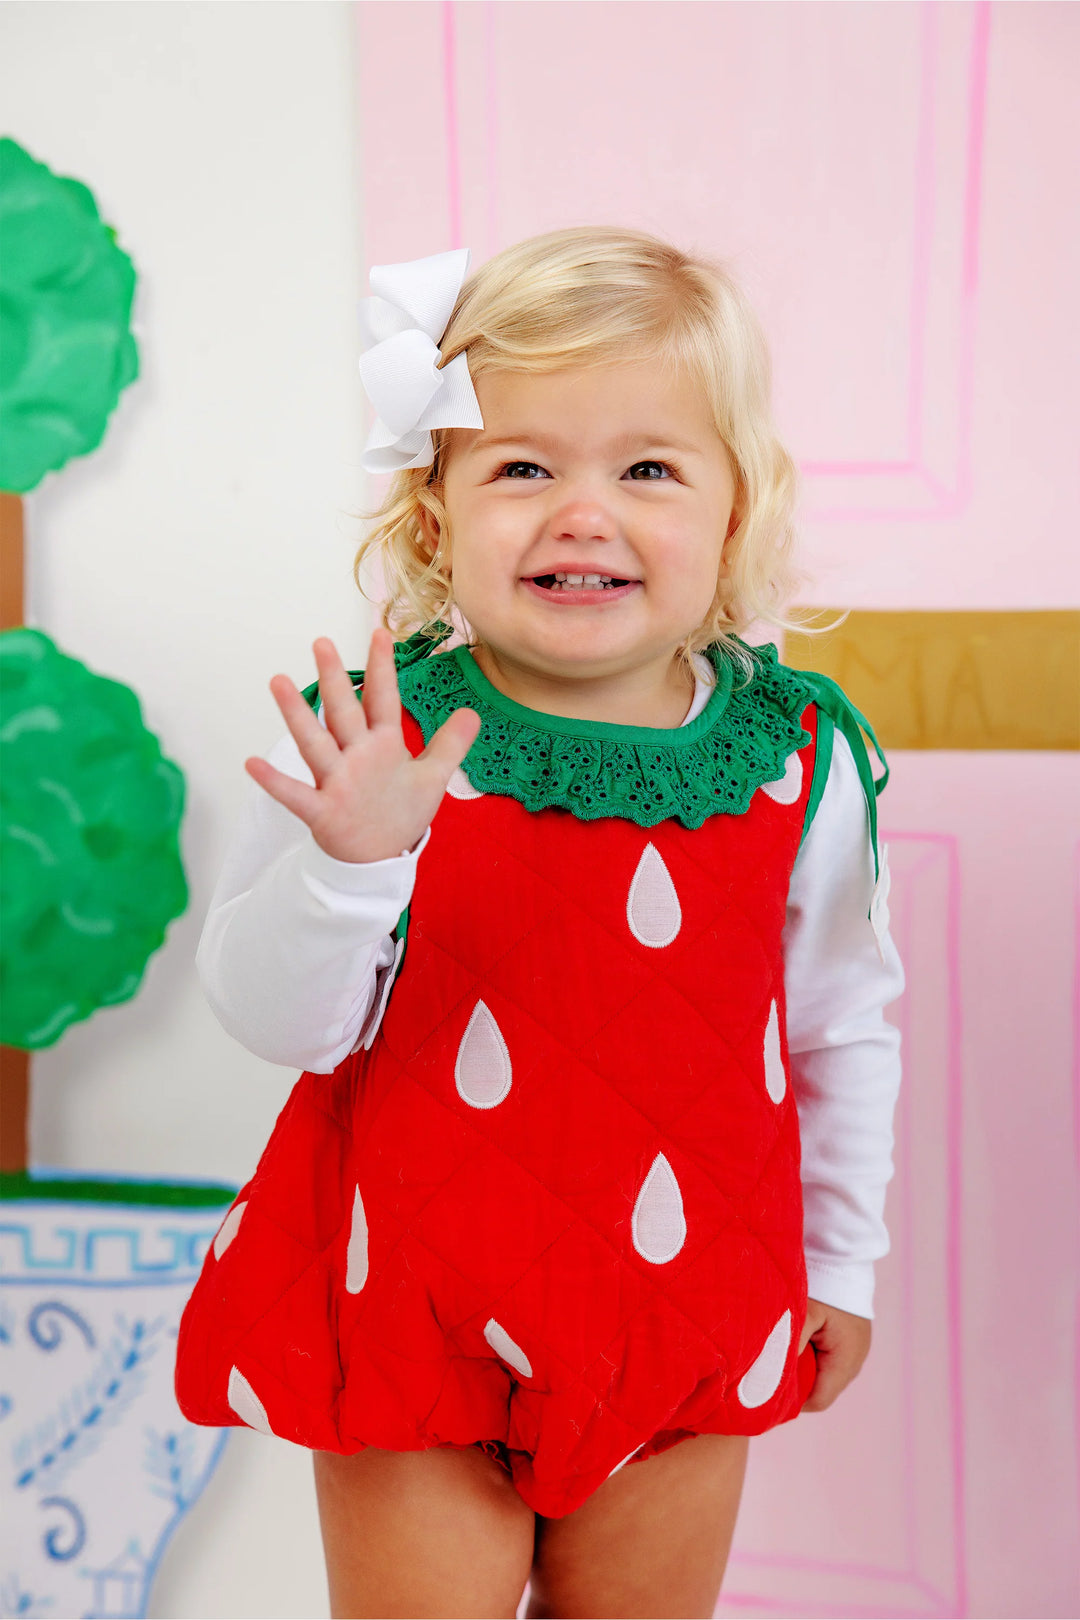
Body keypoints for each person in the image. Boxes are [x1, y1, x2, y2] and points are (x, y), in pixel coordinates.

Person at [175, 228, 904, 1620]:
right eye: (521, 467)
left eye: (648, 469)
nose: (582, 513)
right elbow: (276, 1021)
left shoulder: (797, 757)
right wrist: (351, 863)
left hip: (688, 1305)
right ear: (434, 516)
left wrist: (846, 1258)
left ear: (735, 514)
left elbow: (841, 1025)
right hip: (415, 1304)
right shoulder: (371, 740)